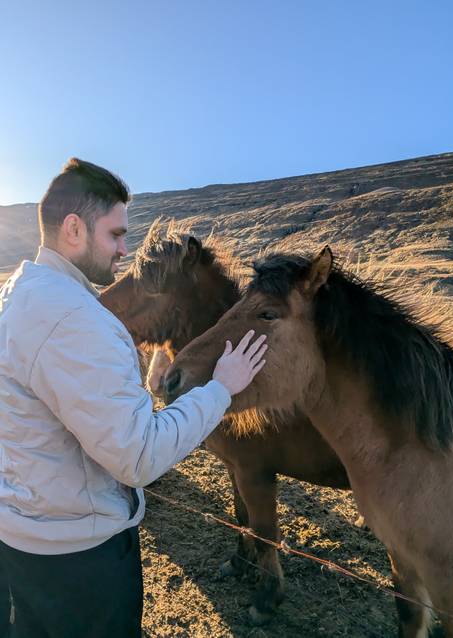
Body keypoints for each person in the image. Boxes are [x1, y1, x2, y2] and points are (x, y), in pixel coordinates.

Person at [0, 158, 267, 638]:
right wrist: (221, 387)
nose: (126, 250)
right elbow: (139, 456)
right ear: (75, 229)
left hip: (27, 536)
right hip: (80, 560)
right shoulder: (74, 319)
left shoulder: (19, 293)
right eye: (116, 235)